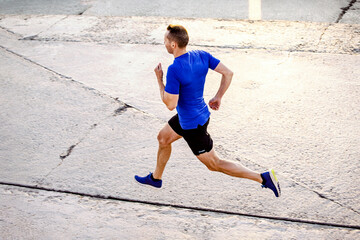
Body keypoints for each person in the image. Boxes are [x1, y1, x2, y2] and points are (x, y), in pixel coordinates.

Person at [135, 24, 281, 197]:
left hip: (192, 126)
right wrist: (218, 96)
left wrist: (160, 81)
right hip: (194, 115)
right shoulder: (201, 55)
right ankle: (156, 178)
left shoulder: (175, 69)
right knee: (163, 138)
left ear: (173, 45)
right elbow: (228, 73)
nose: (164, 43)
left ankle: (263, 178)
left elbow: (170, 104)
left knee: (214, 164)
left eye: (165, 40)